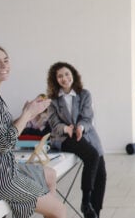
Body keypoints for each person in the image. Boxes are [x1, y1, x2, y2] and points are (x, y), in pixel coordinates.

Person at [0, 44, 65, 218]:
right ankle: (49, 208)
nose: (4, 65)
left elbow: (0, 134)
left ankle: (46, 206)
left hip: (3, 167)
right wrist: (28, 114)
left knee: (50, 175)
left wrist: (27, 115)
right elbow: (4, 144)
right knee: (59, 210)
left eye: (6, 61)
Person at [46, 62, 106, 218]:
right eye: (60, 76)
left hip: (87, 134)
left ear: (73, 74)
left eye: (67, 74)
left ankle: (94, 213)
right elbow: (54, 124)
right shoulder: (52, 100)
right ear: (55, 80)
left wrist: (80, 127)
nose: (64, 78)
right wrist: (67, 129)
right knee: (92, 156)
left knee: (101, 174)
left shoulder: (84, 94)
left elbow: (87, 117)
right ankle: (86, 202)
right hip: (65, 138)